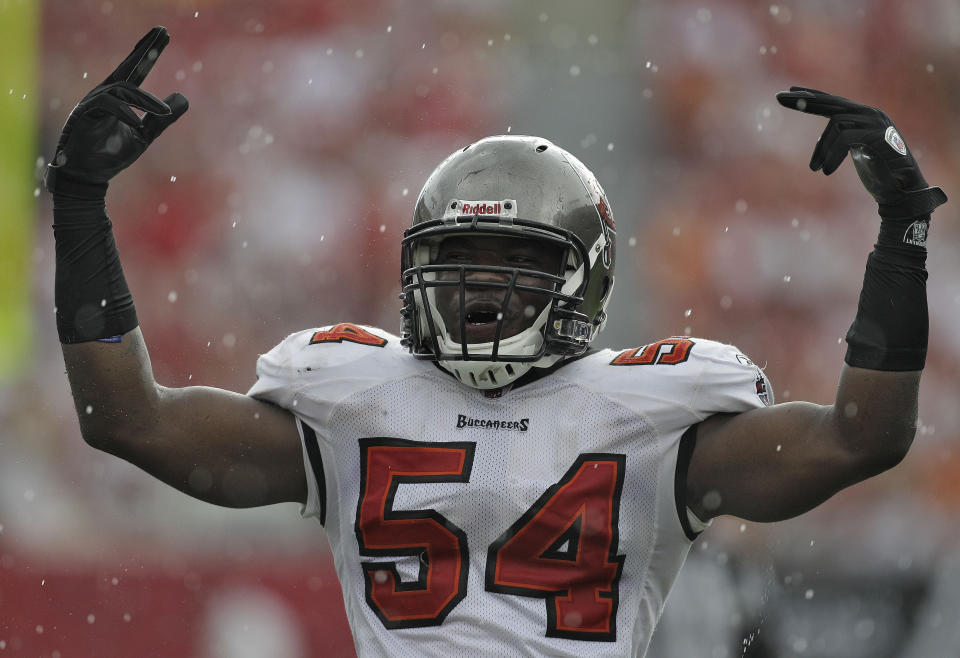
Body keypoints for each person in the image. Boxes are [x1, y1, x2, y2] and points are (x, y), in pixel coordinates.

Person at [47, 27, 947, 657]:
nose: (477, 288)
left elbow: (862, 435)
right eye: (457, 262)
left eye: (510, 262)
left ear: (584, 279)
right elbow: (127, 418)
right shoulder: (356, 396)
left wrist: (902, 231)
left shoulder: (652, 414)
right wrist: (81, 204)